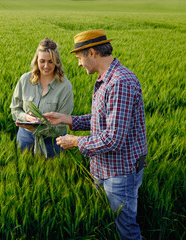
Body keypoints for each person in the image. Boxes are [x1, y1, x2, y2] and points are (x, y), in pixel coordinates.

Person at [44, 29, 147, 239]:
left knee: (126, 231)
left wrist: (75, 141)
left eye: (80, 58)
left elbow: (112, 139)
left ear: (92, 53)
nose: (79, 64)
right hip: (102, 168)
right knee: (108, 224)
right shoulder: (105, 79)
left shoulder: (120, 83)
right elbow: (101, 121)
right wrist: (67, 119)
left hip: (120, 173)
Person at [10, 38, 73, 158]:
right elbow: (15, 109)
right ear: (36, 61)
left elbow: (61, 125)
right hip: (25, 138)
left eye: (50, 61)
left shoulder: (65, 86)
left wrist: (37, 129)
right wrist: (26, 117)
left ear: (57, 62)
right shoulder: (25, 80)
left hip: (53, 142)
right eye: (42, 61)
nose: (46, 66)